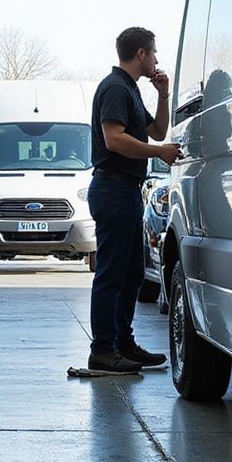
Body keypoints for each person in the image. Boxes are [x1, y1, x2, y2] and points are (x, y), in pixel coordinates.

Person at [87, 27, 183, 373]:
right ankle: (102, 349)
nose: (157, 60)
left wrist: (163, 95)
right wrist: (158, 153)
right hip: (113, 188)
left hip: (125, 189)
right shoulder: (115, 88)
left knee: (131, 274)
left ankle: (122, 344)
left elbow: (157, 130)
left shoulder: (128, 90)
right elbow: (113, 139)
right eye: (154, 53)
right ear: (140, 54)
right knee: (113, 273)